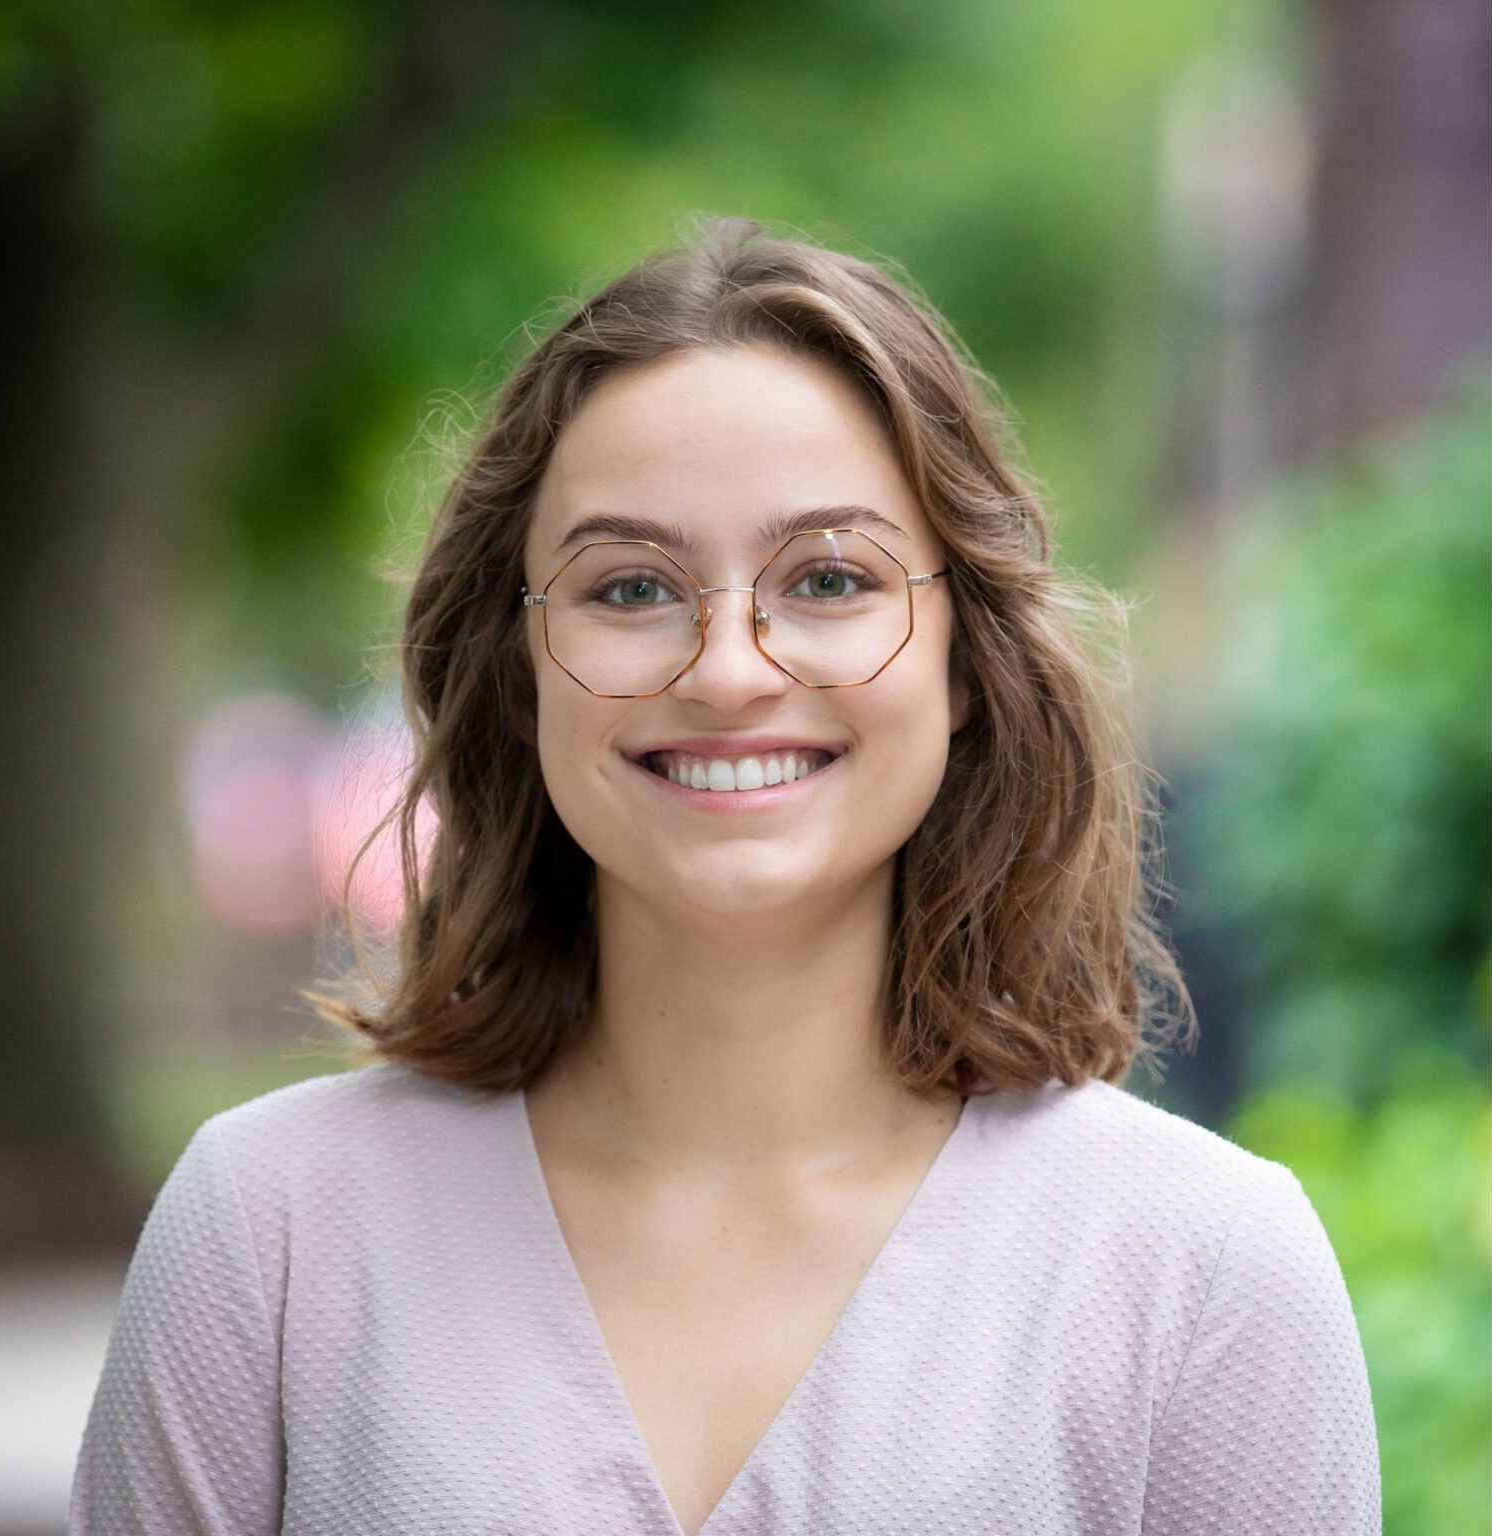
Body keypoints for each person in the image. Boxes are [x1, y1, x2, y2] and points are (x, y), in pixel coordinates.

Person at [68, 216, 1381, 1535]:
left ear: (967, 663)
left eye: (827, 576)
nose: (730, 670)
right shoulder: (272, 1237)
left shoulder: (1204, 1271)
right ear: (516, 676)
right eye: (631, 588)